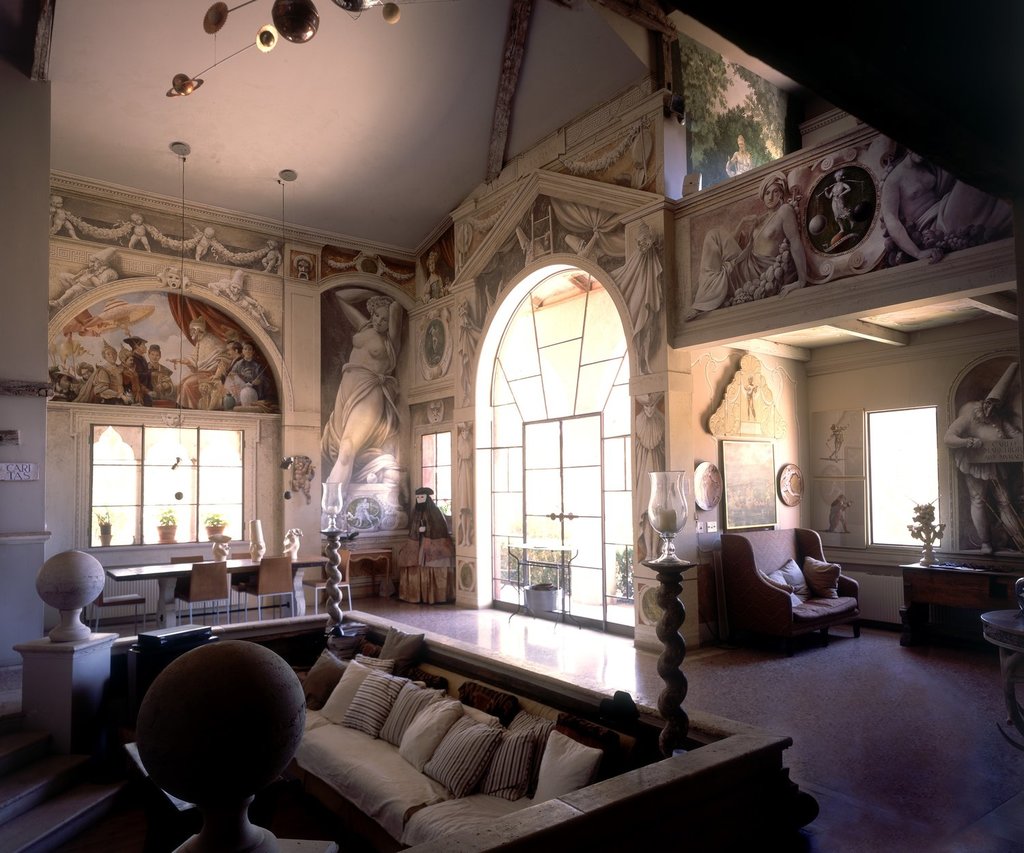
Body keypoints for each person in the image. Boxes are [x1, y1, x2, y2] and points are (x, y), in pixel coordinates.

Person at [686, 171, 808, 319]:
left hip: (758, 273)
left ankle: (702, 302)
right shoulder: (762, 218)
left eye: (775, 192)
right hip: (746, 262)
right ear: (763, 196)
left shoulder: (784, 211)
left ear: (781, 194)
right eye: (767, 193)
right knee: (713, 235)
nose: (770, 197)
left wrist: (801, 281)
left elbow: (795, 242)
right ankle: (702, 298)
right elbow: (735, 243)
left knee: (715, 243)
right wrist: (742, 223)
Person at [321, 291, 403, 491]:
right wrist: (374, 295)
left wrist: (386, 293)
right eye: (376, 315)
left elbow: (396, 307)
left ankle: (332, 503)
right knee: (340, 448)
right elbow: (340, 297)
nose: (379, 321)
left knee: (347, 449)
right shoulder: (365, 326)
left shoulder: (391, 340)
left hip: (369, 391)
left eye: (384, 319)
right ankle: (334, 502)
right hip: (346, 388)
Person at [943, 362, 1024, 554]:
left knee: (1004, 501)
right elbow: (949, 438)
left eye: (996, 407)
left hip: (995, 464)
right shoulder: (968, 415)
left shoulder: (997, 418)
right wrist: (968, 442)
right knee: (978, 500)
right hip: (975, 464)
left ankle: (1020, 542)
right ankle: (985, 543)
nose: (991, 410)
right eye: (990, 405)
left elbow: (1014, 435)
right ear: (986, 401)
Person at [881, 150, 1012, 265]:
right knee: (975, 176)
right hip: (934, 229)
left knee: (985, 179)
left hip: (944, 208)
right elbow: (892, 221)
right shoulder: (893, 181)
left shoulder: (926, 166)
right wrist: (918, 253)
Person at [397, 487, 454, 604]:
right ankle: (417, 594)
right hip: (417, 541)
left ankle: (435, 595)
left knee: (433, 558)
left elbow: (440, 527)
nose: (419, 499)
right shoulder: (416, 512)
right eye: (418, 497)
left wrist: (427, 530)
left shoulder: (435, 512)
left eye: (422, 497)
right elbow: (413, 528)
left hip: (432, 540)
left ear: (427, 498)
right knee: (407, 556)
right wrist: (418, 530)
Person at [172, 316, 228, 410]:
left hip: (209, 375)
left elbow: (223, 357)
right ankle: (182, 409)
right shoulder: (199, 342)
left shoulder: (212, 341)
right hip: (200, 374)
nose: (190, 333)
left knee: (187, 385)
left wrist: (217, 375)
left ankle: (190, 409)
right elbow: (193, 360)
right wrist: (179, 360)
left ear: (197, 330)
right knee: (181, 384)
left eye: (192, 330)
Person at [51, 248, 119, 309]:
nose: (90, 264)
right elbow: (77, 278)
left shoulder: (108, 272)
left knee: (73, 290)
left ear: (101, 262)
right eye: (91, 262)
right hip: (82, 283)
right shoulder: (95, 268)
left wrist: (90, 276)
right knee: (63, 276)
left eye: (93, 262)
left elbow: (100, 286)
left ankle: (60, 303)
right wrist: (79, 275)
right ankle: (71, 298)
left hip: (88, 290)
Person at [225, 340, 267, 404]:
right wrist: (232, 376)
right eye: (245, 349)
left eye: (249, 349)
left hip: (254, 391)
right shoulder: (238, 364)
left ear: (253, 351)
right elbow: (231, 375)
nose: (247, 351)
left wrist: (259, 381)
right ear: (242, 351)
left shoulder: (257, 366)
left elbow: (263, 379)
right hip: (239, 391)